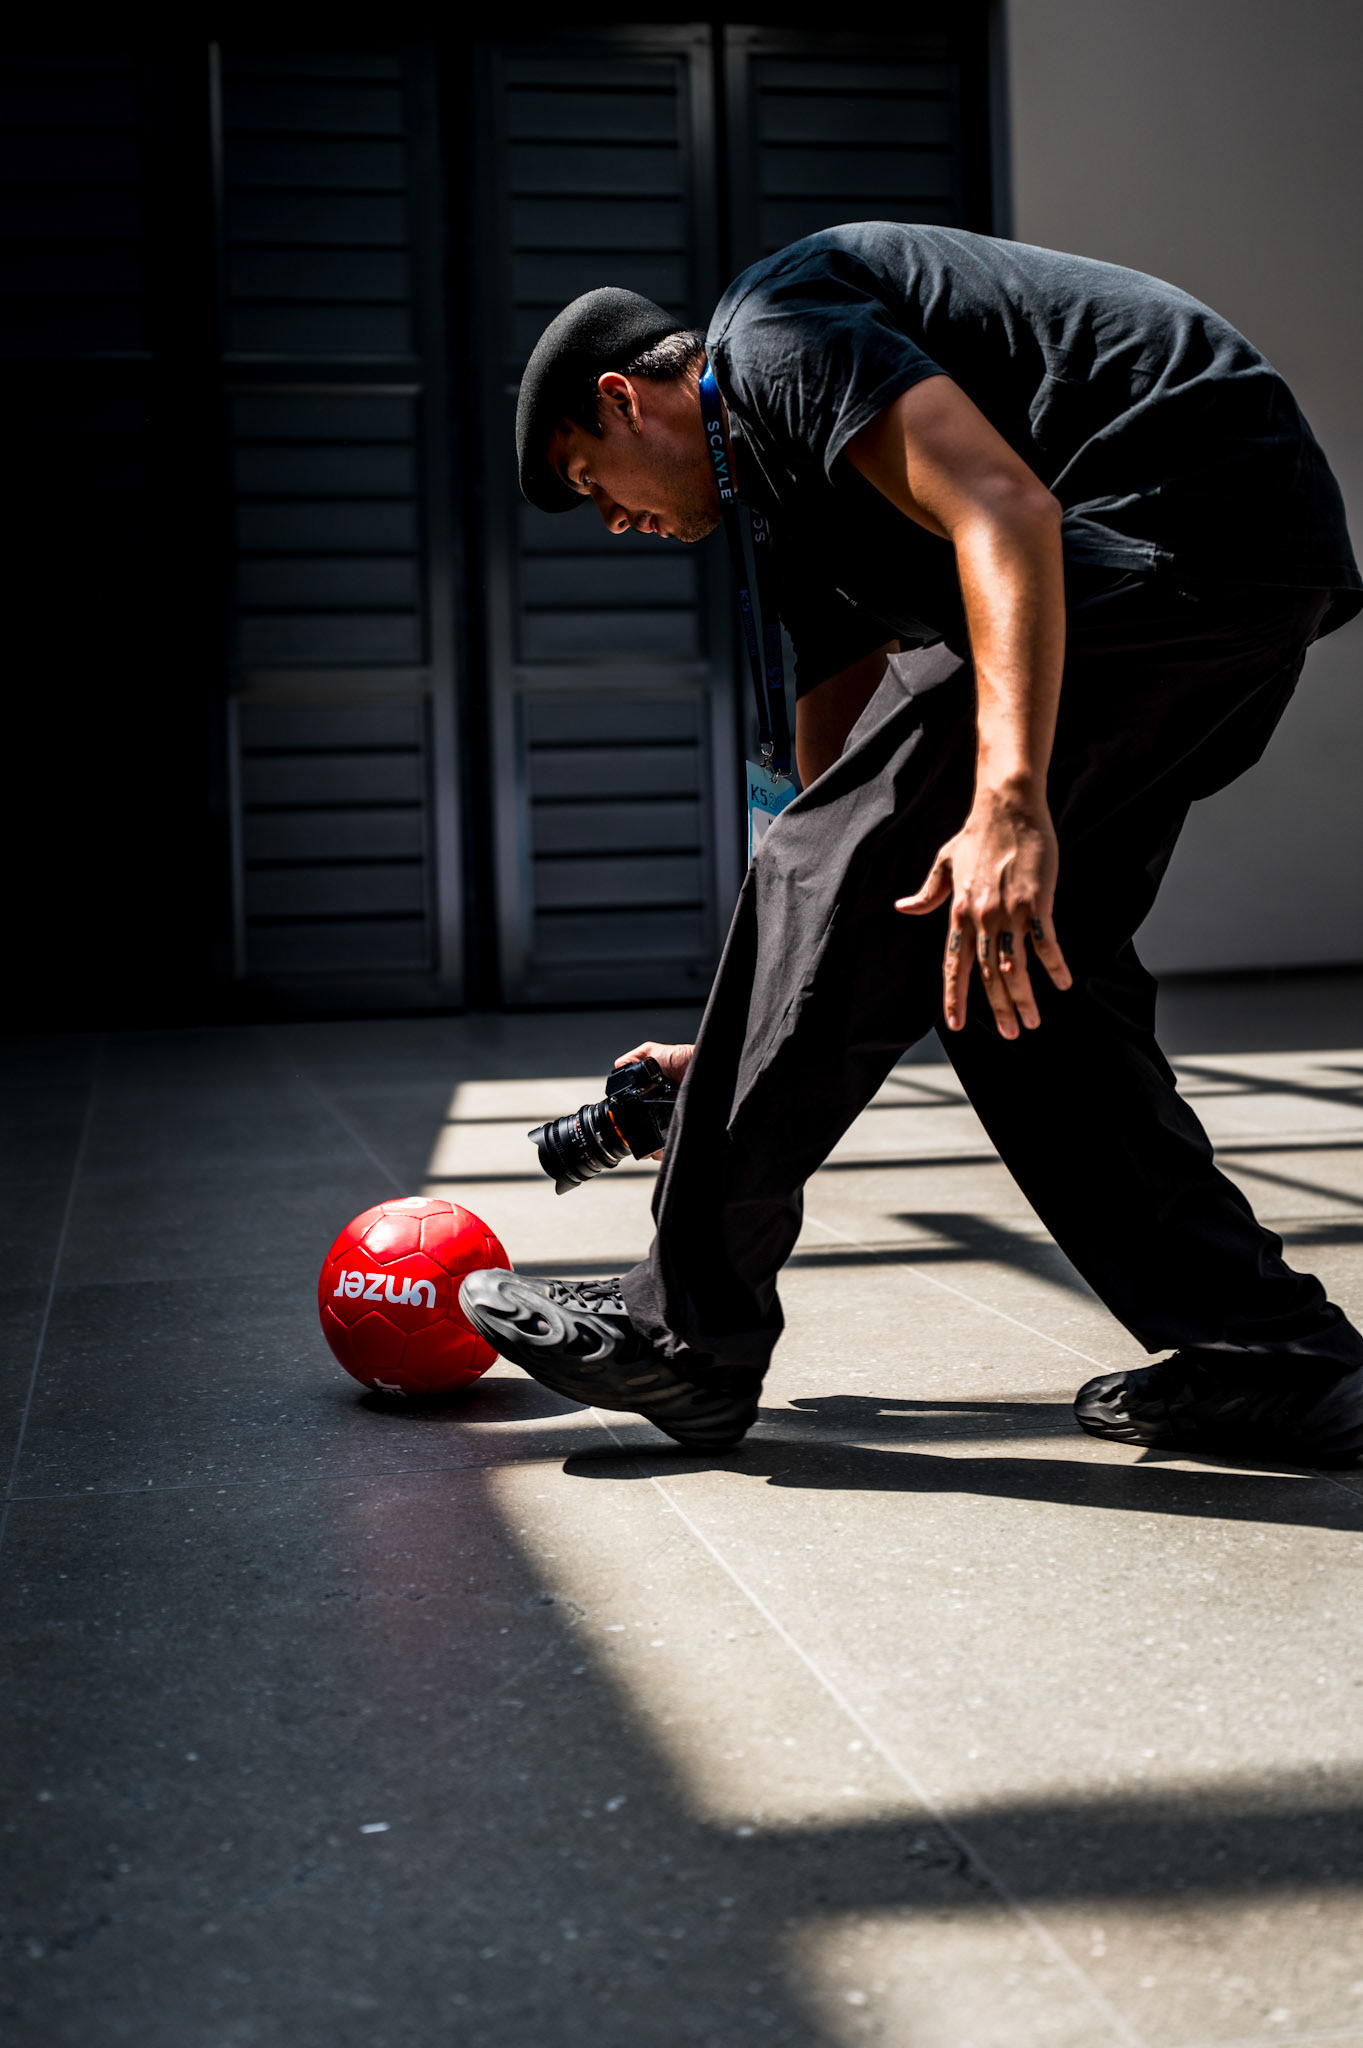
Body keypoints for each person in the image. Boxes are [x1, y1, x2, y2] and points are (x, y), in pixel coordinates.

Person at [459, 222, 1363, 1465]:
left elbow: (1004, 506)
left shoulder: (770, 332)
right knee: (1012, 986)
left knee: (917, 908)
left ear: (624, 398)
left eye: (593, 483)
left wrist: (1006, 803)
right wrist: (735, 1032)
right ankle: (1274, 1357)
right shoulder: (786, 496)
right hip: (1240, 567)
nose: (613, 522)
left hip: (1174, 520)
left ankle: (687, 1334)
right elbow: (834, 815)